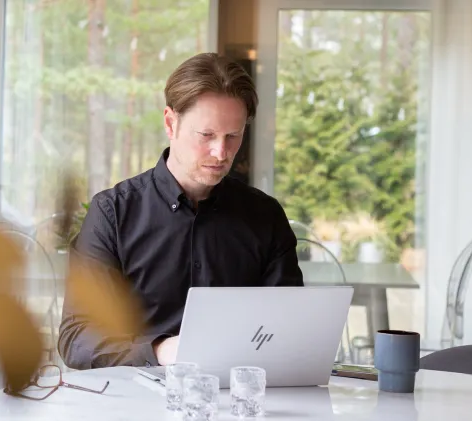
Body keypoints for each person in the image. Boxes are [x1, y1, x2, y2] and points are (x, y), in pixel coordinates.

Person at [58, 52, 303, 370]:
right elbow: (77, 338)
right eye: (207, 136)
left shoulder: (265, 216)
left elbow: (289, 327)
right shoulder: (112, 214)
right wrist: (158, 351)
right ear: (170, 123)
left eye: (233, 136)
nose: (221, 152)